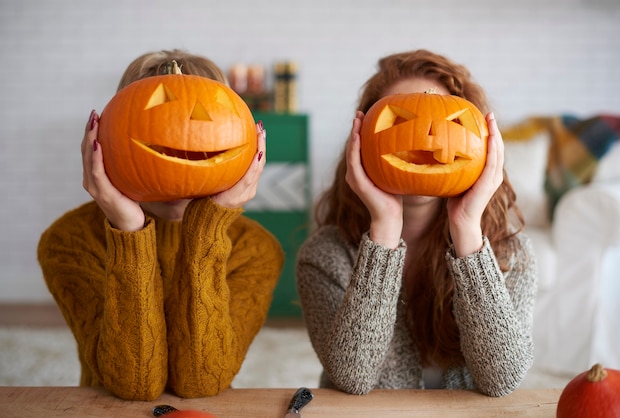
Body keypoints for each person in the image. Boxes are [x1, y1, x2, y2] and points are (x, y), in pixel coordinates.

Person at [38, 49, 285, 401]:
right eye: (155, 111)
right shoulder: (68, 241)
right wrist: (128, 232)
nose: (185, 144)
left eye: (207, 116)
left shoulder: (255, 249)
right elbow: (134, 384)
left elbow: (199, 383)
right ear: (104, 139)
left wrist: (208, 230)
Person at [296, 49, 538, 397]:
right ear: (360, 143)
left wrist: (468, 227)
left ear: (484, 146)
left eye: (450, 123)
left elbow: (503, 380)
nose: (425, 138)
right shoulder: (325, 256)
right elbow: (352, 378)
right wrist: (384, 228)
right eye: (398, 122)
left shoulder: (512, 254)